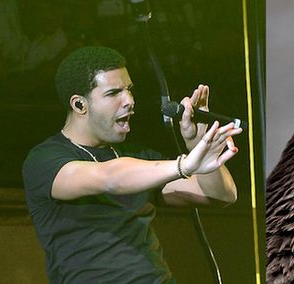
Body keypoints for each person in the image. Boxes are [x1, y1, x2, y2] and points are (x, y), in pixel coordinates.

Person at [22, 46, 243, 283]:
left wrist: (198, 145)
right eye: (113, 93)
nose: (129, 100)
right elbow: (109, 178)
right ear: (79, 105)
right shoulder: (45, 158)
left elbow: (222, 196)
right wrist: (185, 164)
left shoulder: (138, 156)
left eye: (129, 90)